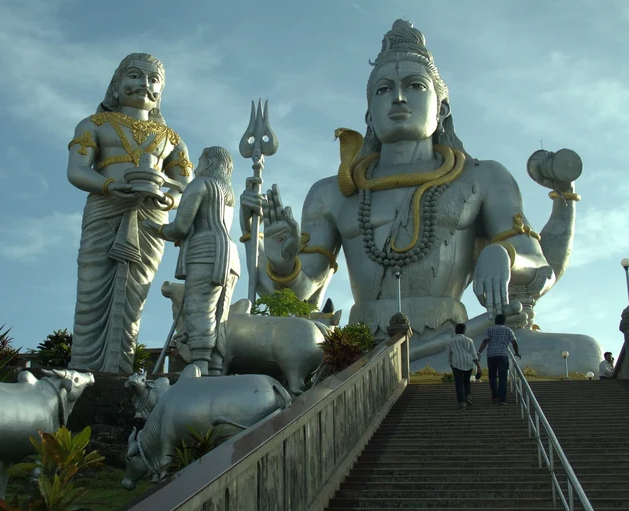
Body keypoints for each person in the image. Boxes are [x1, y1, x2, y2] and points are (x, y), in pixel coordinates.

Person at [237, 19, 602, 375]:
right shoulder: (330, 193)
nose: (397, 98)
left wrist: (504, 254)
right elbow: (301, 296)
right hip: (358, 346)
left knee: (583, 352)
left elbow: (540, 265)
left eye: (414, 85)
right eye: (383, 89)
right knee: (294, 345)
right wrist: (283, 265)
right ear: (369, 114)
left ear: (441, 107)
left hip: (457, 338)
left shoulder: (482, 177)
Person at [66, 53, 194, 374]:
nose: (144, 85)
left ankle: (120, 372)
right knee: (92, 290)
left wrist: (166, 196)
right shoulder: (94, 125)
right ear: (117, 82)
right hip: (105, 208)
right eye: (135, 76)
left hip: (150, 219)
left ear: (161, 91)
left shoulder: (172, 138)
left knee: (134, 299)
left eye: (154, 80)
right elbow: (77, 170)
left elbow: (185, 186)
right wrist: (108, 185)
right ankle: (82, 373)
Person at [144, 147, 240, 375]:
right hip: (230, 257)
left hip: (205, 252)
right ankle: (215, 370)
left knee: (200, 310)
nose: (196, 168)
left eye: (200, 162)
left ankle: (199, 367)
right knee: (220, 316)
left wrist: (156, 228)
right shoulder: (229, 193)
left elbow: (181, 226)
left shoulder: (201, 184)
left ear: (209, 164)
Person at [477, 314, 521, 405]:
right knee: (503, 377)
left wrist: (479, 352)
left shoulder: (490, 329)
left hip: (491, 355)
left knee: (492, 376)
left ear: (495, 321)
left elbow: (485, 341)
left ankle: (495, 396)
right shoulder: (508, 330)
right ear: (504, 321)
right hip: (503, 355)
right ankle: (502, 399)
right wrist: (516, 352)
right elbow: (514, 342)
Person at [448, 323, 482, 410]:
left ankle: (462, 403)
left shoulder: (452, 341)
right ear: (464, 331)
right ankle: (468, 398)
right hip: (468, 362)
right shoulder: (469, 340)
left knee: (459, 384)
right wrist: (478, 366)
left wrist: (451, 365)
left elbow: (450, 355)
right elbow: (474, 354)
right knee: (467, 381)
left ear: (456, 331)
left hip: (457, 363)